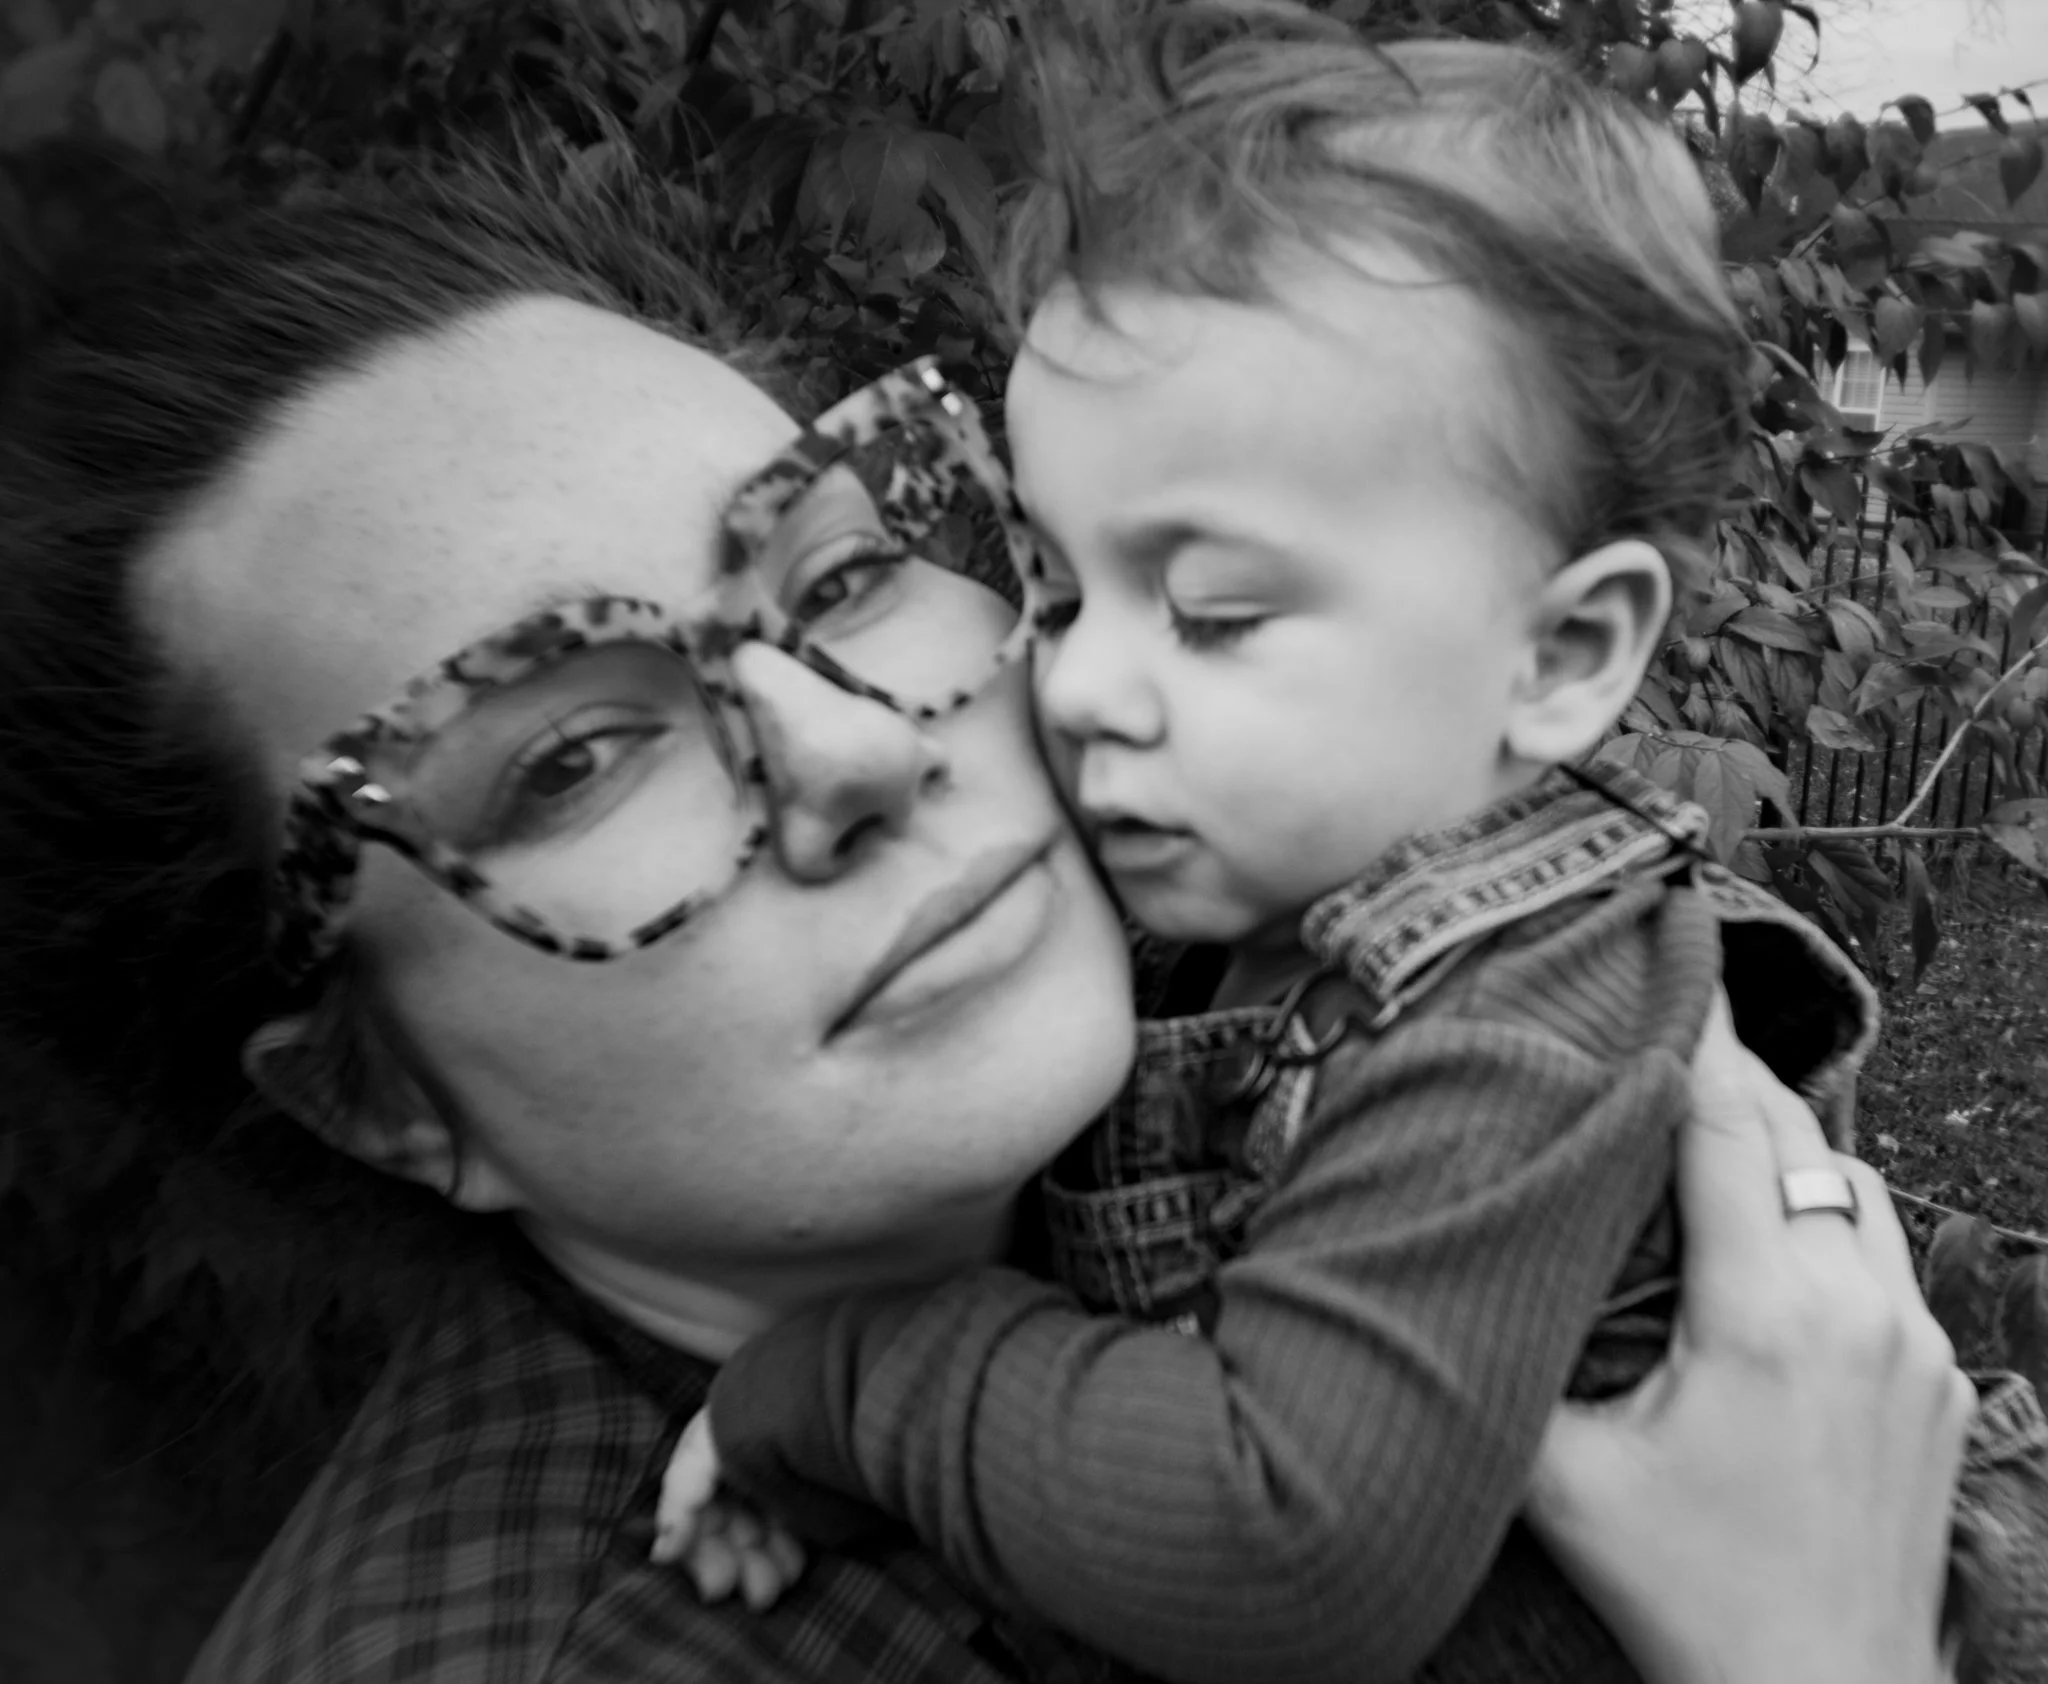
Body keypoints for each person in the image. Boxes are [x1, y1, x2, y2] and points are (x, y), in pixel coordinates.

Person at [0, 156, 1976, 1684]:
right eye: (564, 766)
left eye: (841, 571)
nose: (852, 749)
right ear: (379, 1099)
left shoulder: (1288, 963)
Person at [664, 13, 2048, 1684]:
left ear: (1557, 661)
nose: (1083, 682)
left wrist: (842, 1381)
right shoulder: (1246, 876)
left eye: (1218, 611)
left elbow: (1284, 1548)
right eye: (1058, 579)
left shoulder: (1517, 1010)